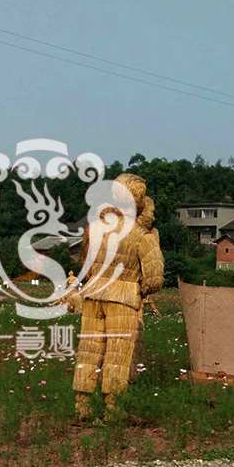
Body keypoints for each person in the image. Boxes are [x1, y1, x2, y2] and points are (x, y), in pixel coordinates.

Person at [73, 174, 164, 420]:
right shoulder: (142, 236)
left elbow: (86, 264)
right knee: (117, 356)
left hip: (94, 295)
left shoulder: (95, 228)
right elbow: (155, 279)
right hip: (123, 299)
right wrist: (139, 289)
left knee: (89, 351)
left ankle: (82, 407)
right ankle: (112, 412)